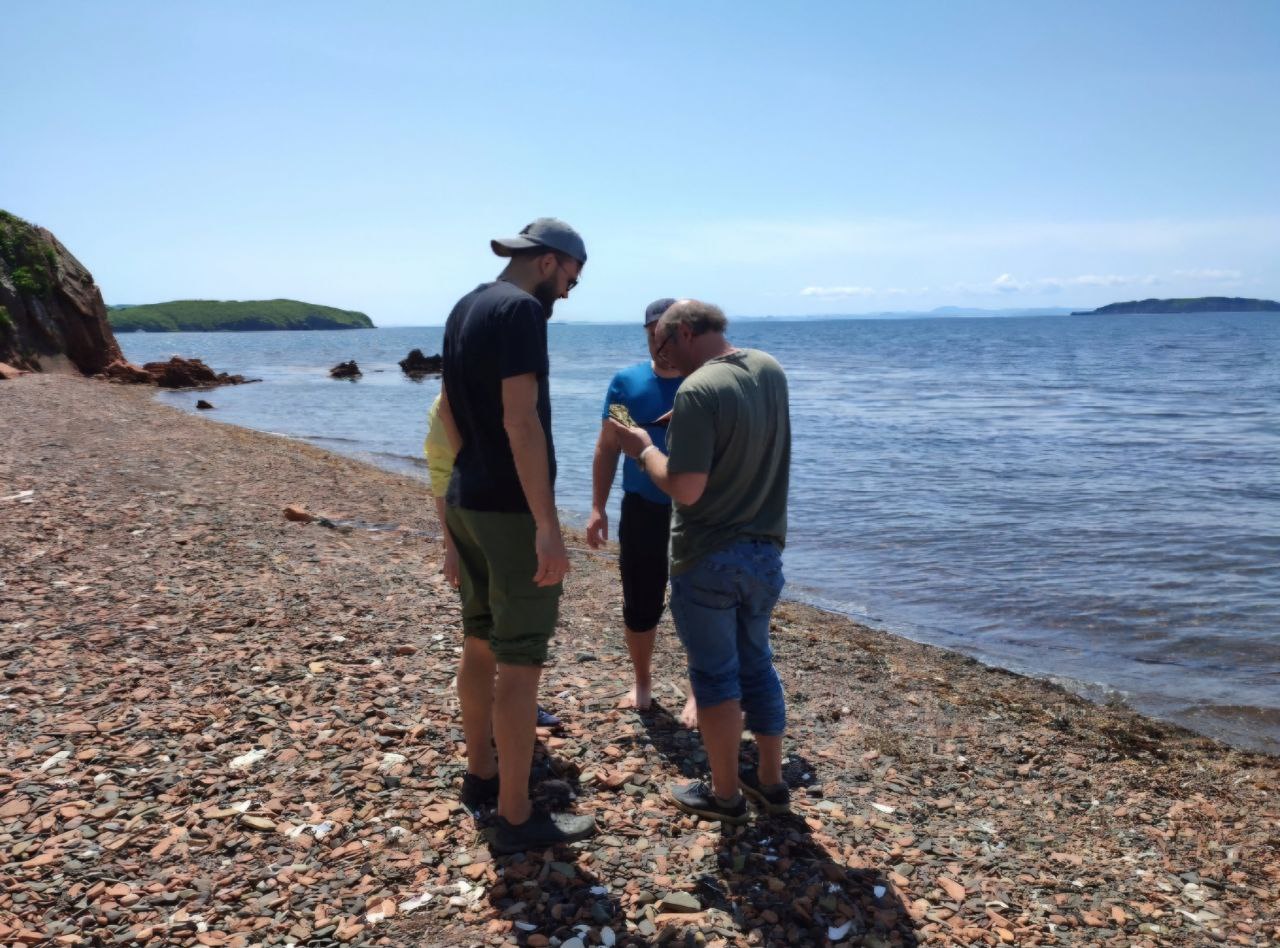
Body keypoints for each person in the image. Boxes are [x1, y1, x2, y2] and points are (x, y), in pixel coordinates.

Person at [437, 218, 596, 853]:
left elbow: (449, 407)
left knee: (479, 640)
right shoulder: (522, 311)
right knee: (521, 659)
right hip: (509, 513)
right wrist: (547, 525)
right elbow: (521, 420)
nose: (569, 291)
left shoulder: (466, 306)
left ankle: (481, 774)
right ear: (550, 262)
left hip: (467, 499)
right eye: (573, 278)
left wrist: (468, 469)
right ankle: (515, 814)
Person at [608, 299, 792, 825]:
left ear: (685, 333)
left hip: (708, 556)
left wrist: (645, 448)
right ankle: (771, 782)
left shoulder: (697, 389)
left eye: (665, 347)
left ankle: (726, 795)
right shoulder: (768, 369)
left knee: (715, 677)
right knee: (757, 662)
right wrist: (690, 423)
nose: (664, 359)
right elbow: (741, 430)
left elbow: (684, 488)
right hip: (765, 551)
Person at [585, 298, 697, 725]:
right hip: (642, 510)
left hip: (697, 512)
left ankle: (698, 690)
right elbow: (608, 446)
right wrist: (597, 508)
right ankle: (642, 681)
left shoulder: (706, 382)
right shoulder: (625, 384)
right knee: (639, 601)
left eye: (669, 336)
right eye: (654, 336)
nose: (661, 345)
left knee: (699, 601)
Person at [425, 395, 562, 728]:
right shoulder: (456, 403)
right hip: (498, 524)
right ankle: (507, 717)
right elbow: (444, 476)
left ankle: (494, 727)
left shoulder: (454, 396)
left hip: (481, 520)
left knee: (486, 630)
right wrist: (452, 548)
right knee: (503, 635)